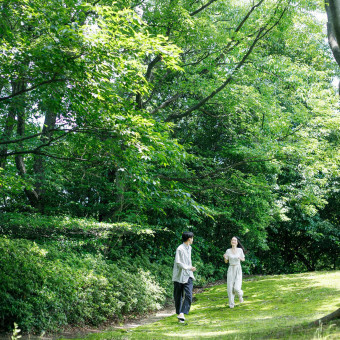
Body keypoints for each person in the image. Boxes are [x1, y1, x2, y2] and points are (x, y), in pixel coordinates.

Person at [172, 231, 197, 323]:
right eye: (192, 238)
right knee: (178, 296)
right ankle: (180, 315)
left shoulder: (189, 248)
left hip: (188, 275)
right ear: (189, 239)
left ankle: (182, 313)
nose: (193, 240)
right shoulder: (180, 249)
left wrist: (189, 269)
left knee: (189, 295)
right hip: (179, 276)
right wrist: (188, 268)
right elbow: (178, 263)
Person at [223, 236, 245, 308]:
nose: (233, 241)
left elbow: (243, 259)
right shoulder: (228, 251)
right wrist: (225, 257)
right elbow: (226, 261)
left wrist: (240, 258)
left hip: (238, 268)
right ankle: (231, 304)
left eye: (234, 240)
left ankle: (240, 295)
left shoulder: (240, 250)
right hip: (231, 268)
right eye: (232, 240)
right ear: (231, 242)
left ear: (237, 242)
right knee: (230, 287)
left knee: (236, 288)